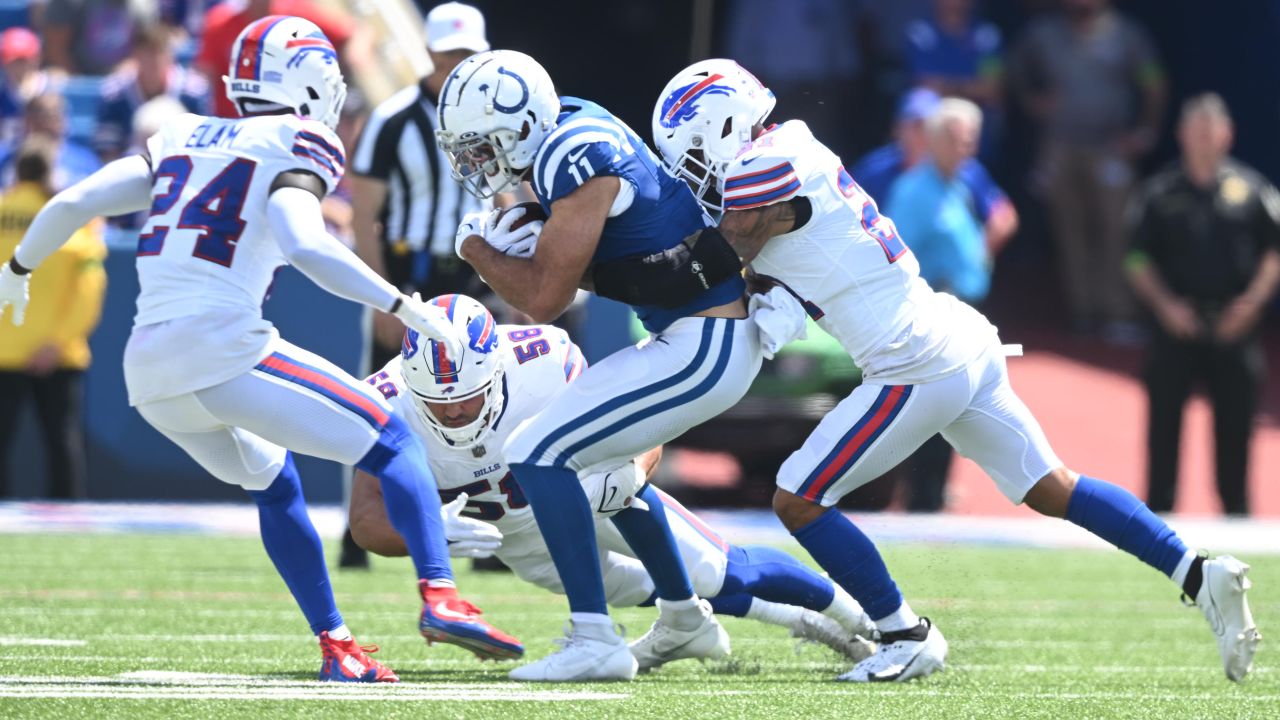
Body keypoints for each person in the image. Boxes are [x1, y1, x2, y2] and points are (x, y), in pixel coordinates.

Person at [652, 58, 1260, 683]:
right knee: (1052, 487)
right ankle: (1196, 571)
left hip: (911, 359)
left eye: (692, 157)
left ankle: (904, 634)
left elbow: (722, 249)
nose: (691, 174)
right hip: (956, 335)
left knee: (799, 497)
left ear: (723, 129)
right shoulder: (795, 145)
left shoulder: (766, 168)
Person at [0, 16, 522, 683]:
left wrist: (16, 270)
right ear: (305, 78)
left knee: (275, 484)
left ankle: (337, 647)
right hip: (219, 346)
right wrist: (403, 306)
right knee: (392, 439)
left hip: (148, 370)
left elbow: (75, 200)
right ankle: (443, 597)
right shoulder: (295, 139)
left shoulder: (182, 132)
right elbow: (304, 244)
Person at [440, 50, 765, 681]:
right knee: (590, 463)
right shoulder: (570, 126)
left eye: (483, 144)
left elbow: (542, 300)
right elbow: (605, 263)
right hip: (698, 333)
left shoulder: (572, 156)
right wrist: (533, 226)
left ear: (519, 123)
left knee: (535, 452)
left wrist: (475, 247)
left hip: (705, 341)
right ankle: (683, 617)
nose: (476, 160)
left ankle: (594, 636)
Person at [345, 293, 879, 668]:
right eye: (438, 402)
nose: (456, 411)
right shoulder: (382, 401)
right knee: (680, 592)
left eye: (465, 394)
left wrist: (630, 473)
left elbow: (638, 420)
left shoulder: (543, 360)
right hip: (523, 548)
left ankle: (862, 617)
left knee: (719, 571)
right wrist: (425, 535)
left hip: (592, 498)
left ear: (496, 367)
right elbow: (366, 523)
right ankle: (805, 623)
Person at [342, 1, 493, 568]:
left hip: (476, 280)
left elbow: (505, 196)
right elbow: (364, 213)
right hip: (410, 280)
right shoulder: (395, 118)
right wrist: (382, 293)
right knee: (376, 408)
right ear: (428, 51)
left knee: (485, 403)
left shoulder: (486, 117)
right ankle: (359, 532)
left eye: (465, 54)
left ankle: (487, 534)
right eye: (449, 52)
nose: (456, 64)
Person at [1126, 94, 1280, 517]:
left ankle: (1237, 516)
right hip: (1176, 325)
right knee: (1163, 430)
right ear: (1181, 136)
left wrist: (1252, 303)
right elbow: (1136, 257)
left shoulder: (1252, 190)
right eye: (1197, 132)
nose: (1205, 140)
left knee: (1235, 429)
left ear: (1227, 135)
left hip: (1234, 325)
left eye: (1213, 132)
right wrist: (1166, 306)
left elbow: (1274, 250)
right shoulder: (1158, 193)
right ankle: (1157, 521)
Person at [885, 96, 1017, 512]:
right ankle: (920, 501)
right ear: (937, 139)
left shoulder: (959, 182)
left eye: (972, 140)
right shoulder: (913, 191)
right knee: (930, 416)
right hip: (934, 317)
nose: (968, 149)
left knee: (954, 415)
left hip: (963, 312)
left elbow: (1002, 218)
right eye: (960, 140)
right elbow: (894, 259)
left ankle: (934, 495)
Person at [1010, 0, 1166, 337]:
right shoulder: (1044, 34)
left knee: (1117, 230)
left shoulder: (1127, 34)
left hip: (1111, 146)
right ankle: (1084, 312)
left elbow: (1154, 80)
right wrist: (1031, 100)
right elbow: (1013, 69)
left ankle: (1119, 314)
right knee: (1070, 230)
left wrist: (1145, 130)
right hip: (1060, 147)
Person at [0, 137, 105, 498]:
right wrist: (58, 341)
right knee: (62, 443)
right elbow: (89, 291)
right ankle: (69, 523)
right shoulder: (75, 223)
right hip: (58, 353)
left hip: (4, 350)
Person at [195, 0, 373, 119]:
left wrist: (354, 56)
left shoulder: (295, 11)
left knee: (350, 106)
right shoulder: (220, 21)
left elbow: (354, 33)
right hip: (238, 123)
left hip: (295, 121)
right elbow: (205, 76)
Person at [902, 0, 1004, 159]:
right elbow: (925, 85)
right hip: (930, 139)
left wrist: (947, 87)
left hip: (977, 139)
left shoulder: (987, 35)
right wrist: (970, 87)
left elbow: (992, 88)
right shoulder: (921, 34)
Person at [95, 22, 210, 162]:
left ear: (170, 56)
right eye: (146, 53)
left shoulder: (193, 92)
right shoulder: (114, 94)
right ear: (135, 56)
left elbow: (204, 147)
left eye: (159, 52)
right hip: (131, 169)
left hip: (183, 169)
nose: (153, 61)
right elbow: (108, 153)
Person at [0, 92, 101, 190]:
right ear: (27, 122)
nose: (51, 124)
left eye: (56, 115)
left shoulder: (85, 161)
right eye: (42, 117)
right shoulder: (5, 159)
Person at [42, 0, 156, 76]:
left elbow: (147, 48)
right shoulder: (70, 3)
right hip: (75, 79)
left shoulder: (143, 5)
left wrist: (130, 67)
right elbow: (55, 48)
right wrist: (81, 82)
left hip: (123, 87)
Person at [0, 27, 64, 145]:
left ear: (37, 58)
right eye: (15, 61)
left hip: (45, 156)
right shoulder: (2, 92)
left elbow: (62, 135)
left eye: (24, 60)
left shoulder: (51, 89)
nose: (20, 66)